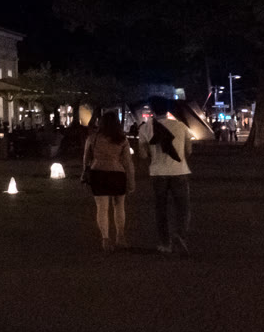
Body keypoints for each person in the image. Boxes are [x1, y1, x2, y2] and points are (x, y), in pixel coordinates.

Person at [139, 98, 195, 253]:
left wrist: (151, 152)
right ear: (168, 109)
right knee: (183, 207)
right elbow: (189, 150)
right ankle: (180, 235)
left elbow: (143, 155)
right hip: (179, 171)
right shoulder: (180, 126)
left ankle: (165, 243)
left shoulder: (145, 128)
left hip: (158, 172)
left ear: (152, 110)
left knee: (161, 209)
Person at [81, 110, 136, 250]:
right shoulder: (122, 139)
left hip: (98, 173)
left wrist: (84, 173)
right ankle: (120, 237)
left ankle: (105, 239)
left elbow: (86, 158)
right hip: (117, 173)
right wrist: (131, 180)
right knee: (119, 206)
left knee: (102, 208)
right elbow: (128, 163)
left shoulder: (93, 138)